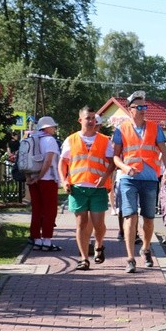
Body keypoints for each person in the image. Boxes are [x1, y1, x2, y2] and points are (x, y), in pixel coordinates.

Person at [113, 91, 166, 273]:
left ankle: (145, 248)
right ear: (130, 110)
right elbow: (115, 156)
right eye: (139, 107)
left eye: (144, 107)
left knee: (148, 219)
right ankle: (130, 258)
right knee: (130, 216)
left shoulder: (155, 128)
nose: (143, 110)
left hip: (149, 178)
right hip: (128, 179)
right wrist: (124, 167)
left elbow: (165, 152)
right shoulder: (121, 129)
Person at [58, 106, 115, 270]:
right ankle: (84, 258)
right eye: (87, 118)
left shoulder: (104, 140)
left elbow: (112, 162)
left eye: (93, 118)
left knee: (98, 224)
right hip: (77, 188)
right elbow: (62, 162)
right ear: (80, 120)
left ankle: (99, 245)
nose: (91, 121)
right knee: (81, 224)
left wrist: (104, 178)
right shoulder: (71, 140)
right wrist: (64, 180)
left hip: (98, 188)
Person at [26, 116, 62, 251]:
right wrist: (40, 176)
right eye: (53, 126)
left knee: (37, 209)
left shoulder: (31, 139)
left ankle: (36, 239)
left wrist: (31, 177)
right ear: (47, 127)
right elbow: (48, 161)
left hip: (32, 178)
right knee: (49, 210)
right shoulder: (50, 140)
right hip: (47, 179)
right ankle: (47, 241)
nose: (54, 128)